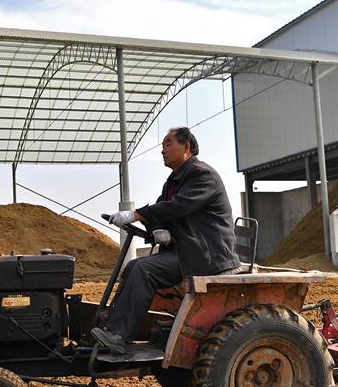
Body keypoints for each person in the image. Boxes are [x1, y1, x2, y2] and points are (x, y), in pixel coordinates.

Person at [91, 127, 241, 354]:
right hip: (187, 251)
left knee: (144, 269)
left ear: (186, 147)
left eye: (168, 144)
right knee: (133, 266)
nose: (163, 150)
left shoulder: (202, 174)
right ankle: (110, 327)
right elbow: (163, 210)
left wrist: (136, 214)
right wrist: (158, 228)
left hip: (207, 256)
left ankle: (120, 336)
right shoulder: (174, 181)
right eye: (162, 146)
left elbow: (178, 206)